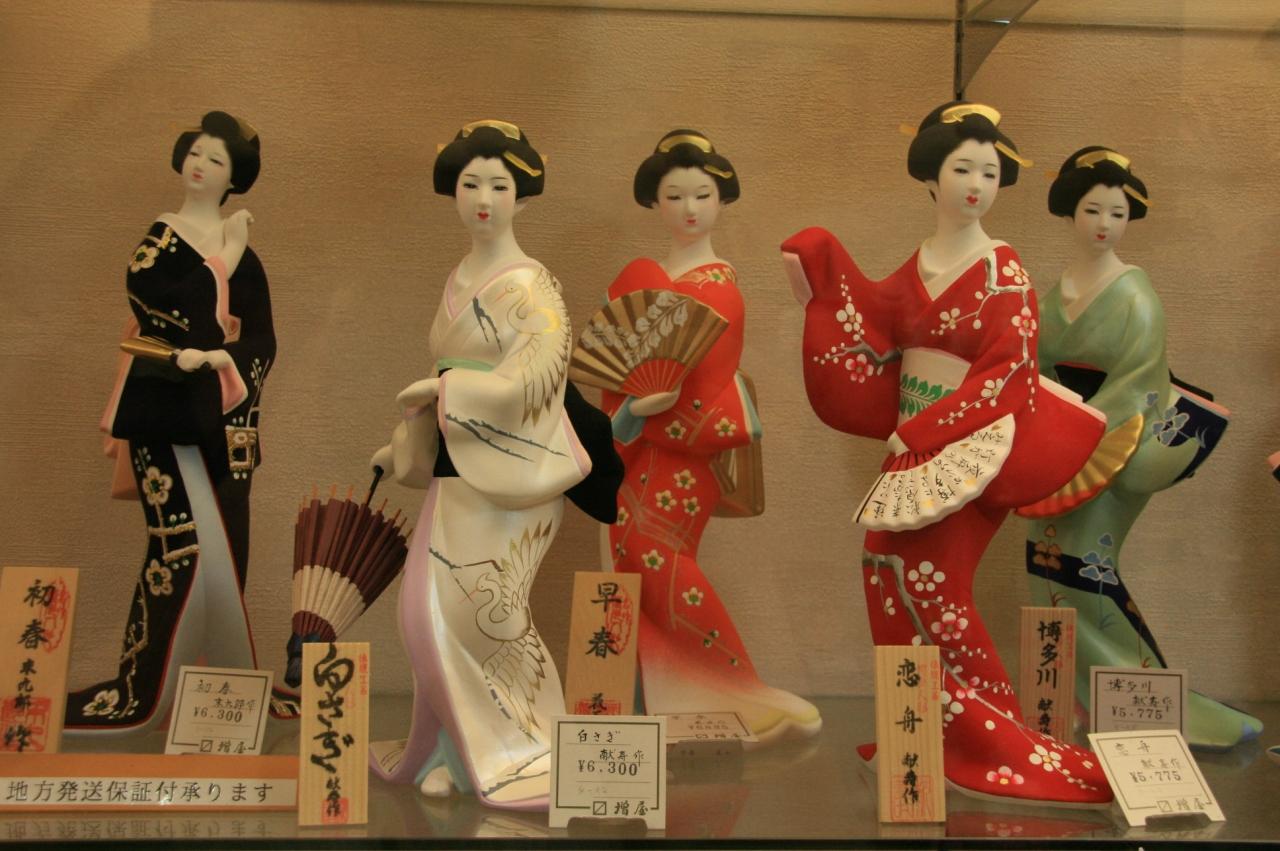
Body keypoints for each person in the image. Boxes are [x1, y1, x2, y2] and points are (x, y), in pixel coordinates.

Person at [782, 103, 1113, 805]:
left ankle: (989, 741)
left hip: (971, 447)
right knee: (884, 570)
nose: (977, 185)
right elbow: (874, 320)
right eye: (963, 169)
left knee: (932, 581)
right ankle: (922, 727)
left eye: (989, 173)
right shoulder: (923, 261)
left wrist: (929, 429)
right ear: (930, 177)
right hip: (913, 446)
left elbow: (1008, 374)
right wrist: (821, 269)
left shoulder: (1004, 270)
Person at [368, 120, 620, 810]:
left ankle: (526, 749)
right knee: (426, 611)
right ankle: (448, 751)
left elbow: (532, 378)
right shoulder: (460, 275)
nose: (484, 198)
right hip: (461, 460)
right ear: (452, 191)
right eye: (470, 183)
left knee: (483, 614)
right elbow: (452, 372)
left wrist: (448, 390)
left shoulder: (533, 284)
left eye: (500, 186)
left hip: (515, 468)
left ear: (522, 196)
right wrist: (408, 442)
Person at [1023, 146, 1260, 749]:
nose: (1105, 224)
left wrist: (1077, 434)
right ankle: (1086, 702)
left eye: (1117, 213)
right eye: (1092, 210)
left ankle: (1140, 701)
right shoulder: (1054, 293)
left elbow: (1137, 385)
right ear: (1069, 213)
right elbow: (1036, 369)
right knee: (1042, 563)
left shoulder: (1135, 296)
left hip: (1116, 446)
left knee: (1085, 565)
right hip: (1059, 444)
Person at [601, 130, 821, 742]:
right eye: (674, 196)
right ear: (655, 202)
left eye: (702, 195)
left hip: (684, 451)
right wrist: (629, 410)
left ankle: (738, 687)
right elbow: (614, 369)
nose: (689, 208)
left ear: (722, 200)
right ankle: (658, 700)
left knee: (660, 559)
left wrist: (653, 410)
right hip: (635, 449)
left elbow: (706, 387)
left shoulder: (721, 285)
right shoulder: (641, 279)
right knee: (629, 560)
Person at [69, 111, 275, 732]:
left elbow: (261, 339)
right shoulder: (162, 239)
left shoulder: (246, 256)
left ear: (234, 179)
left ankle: (217, 696)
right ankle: (150, 682)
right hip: (163, 404)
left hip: (224, 417)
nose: (200, 165)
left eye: (217, 160)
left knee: (228, 543)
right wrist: (220, 262)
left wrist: (227, 361)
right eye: (197, 152)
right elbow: (157, 300)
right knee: (177, 542)